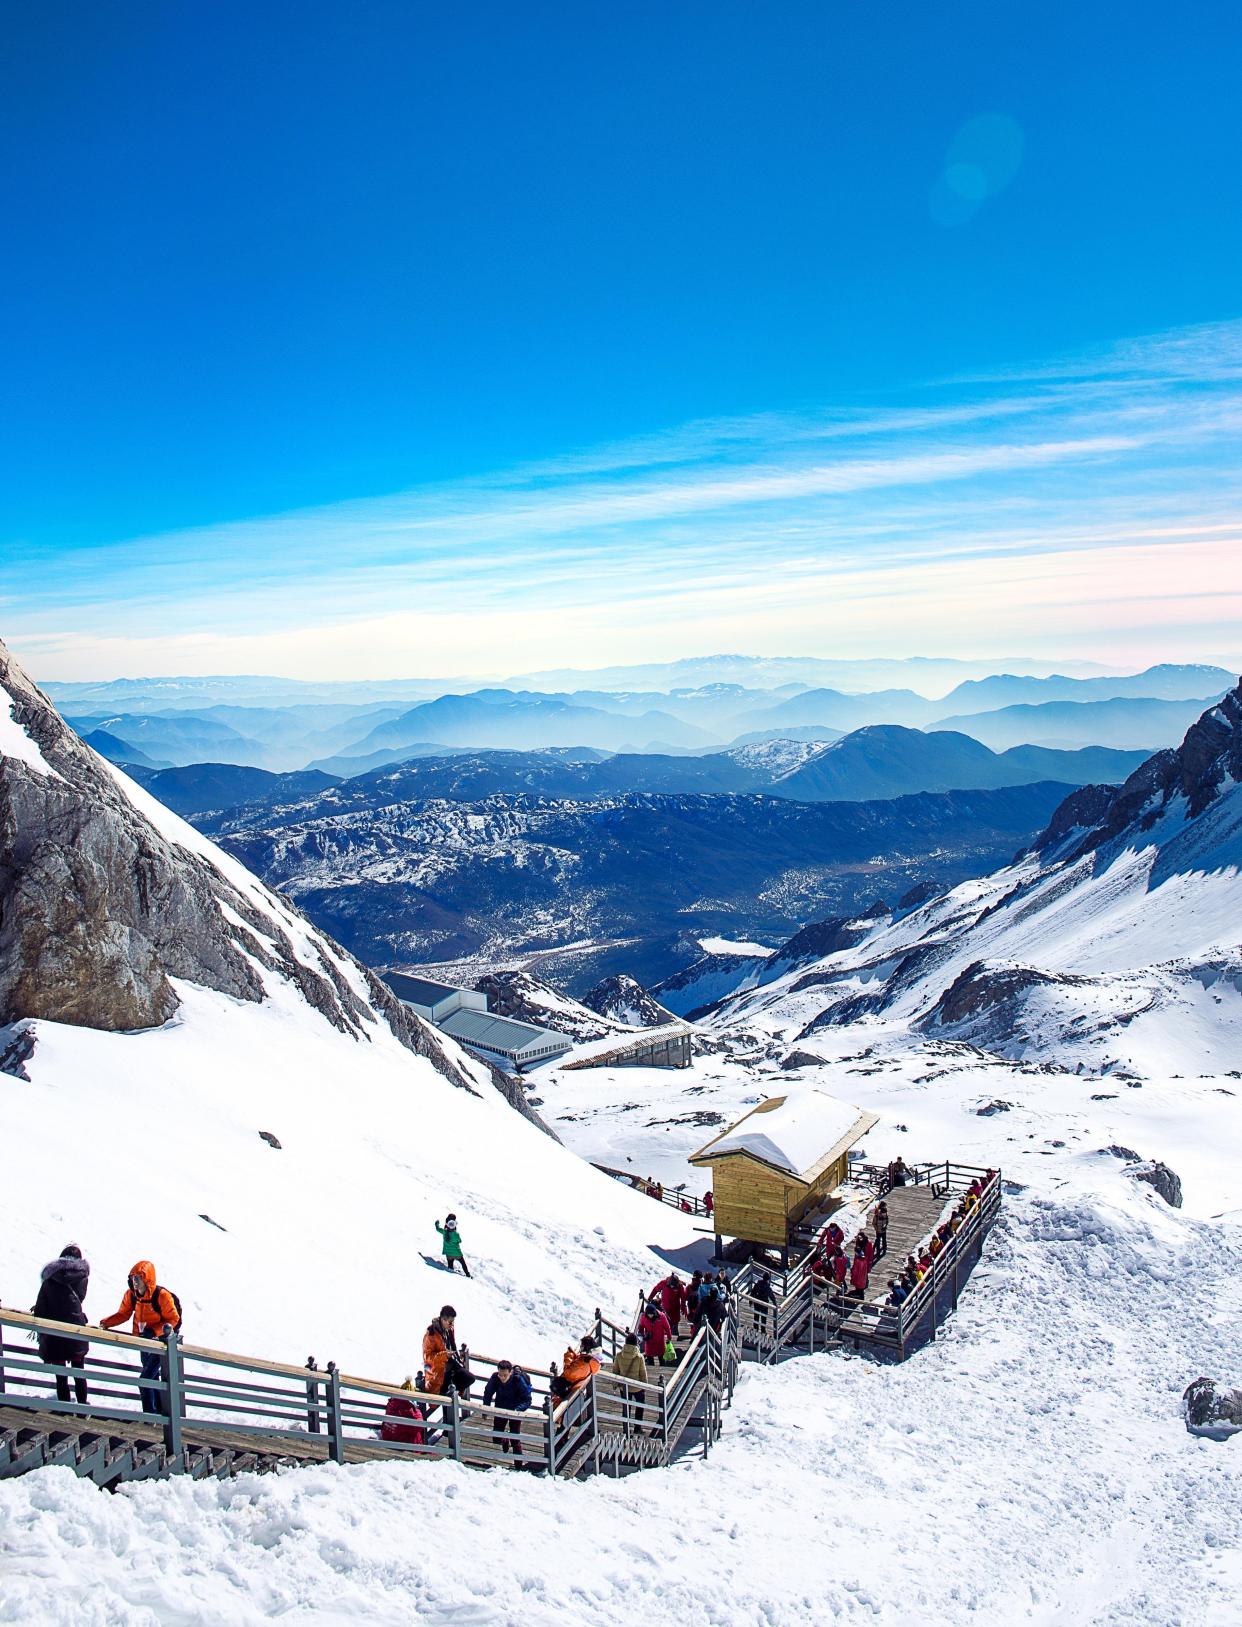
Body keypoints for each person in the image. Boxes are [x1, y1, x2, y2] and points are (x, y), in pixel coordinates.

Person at [100, 1260, 182, 1417]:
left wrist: (154, 1331)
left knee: (145, 1379)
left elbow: (174, 1319)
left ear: (147, 1279)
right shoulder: (131, 1296)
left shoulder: (161, 1296)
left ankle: (149, 1416)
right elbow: (123, 1313)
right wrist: (106, 1323)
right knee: (152, 1377)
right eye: (132, 1278)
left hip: (161, 1344)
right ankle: (160, 1413)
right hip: (143, 1343)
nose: (135, 1281)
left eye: (138, 1277)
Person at [32, 1244, 90, 1405]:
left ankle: (65, 1408)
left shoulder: (50, 1278)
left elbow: (42, 1308)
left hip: (55, 1333)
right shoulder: (82, 1277)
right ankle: (82, 1408)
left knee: (61, 1376)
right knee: (79, 1372)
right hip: (76, 1330)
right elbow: (77, 1301)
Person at [483, 1359, 532, 1466]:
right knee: (496, 1437)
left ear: (511, 1372)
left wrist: (517, 1410)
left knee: (515, 1439)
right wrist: (485, 1409)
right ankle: (505, 1439)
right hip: (500, 1408)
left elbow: (527, 1400)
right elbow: (488, 1393)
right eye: (500, 1375)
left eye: (505, 1375)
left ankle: (518, 1465)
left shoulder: (518, 1380)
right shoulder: (495, 1378)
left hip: (515, 1410)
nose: (502, 1378)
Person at [422, 1305, 476, 1399]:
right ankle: (449, 1394)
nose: (452, 1324)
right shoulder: (431, 1334)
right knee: (445, 1397)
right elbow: (427, 1357)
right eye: (450, 1322)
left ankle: (451, 1392)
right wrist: (444, 1355)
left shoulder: (449, 1329)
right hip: (438, 1370)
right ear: (443, 1319)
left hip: (450, 1363)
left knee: (469, 1378)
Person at [612, 1331, 648, 1431]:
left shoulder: (619, 1355)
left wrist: (615, 1384)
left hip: (624, 1386)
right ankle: (637, 1427)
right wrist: (645, 1386)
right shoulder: (639, 1357)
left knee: (626, 1407)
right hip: (637, 1387)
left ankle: (626, 1428)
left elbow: (615, 1371)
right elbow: (643, 1373)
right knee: (640, 1406)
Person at [380, 1375, 428, 1448]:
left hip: (388, 1440)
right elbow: (419, 1426)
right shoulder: (409, 1409)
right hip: (405, 1444)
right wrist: (417, 1410)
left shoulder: (391, 1403)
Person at [551, 1336, 601, 1400]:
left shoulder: (584, 1363)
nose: (580, 1348)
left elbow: (568, 1374)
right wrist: (574, 1356)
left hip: (565, 1393)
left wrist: (568, 1357)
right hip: (569, 1391)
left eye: (582, 1346)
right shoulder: (588, 1359)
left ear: (587, 1348)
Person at [637, 1298, 672, 1365]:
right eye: (649, 1314)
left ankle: (662, 1368)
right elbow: (641, 1327)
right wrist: (641, 1335)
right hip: (649, 1340)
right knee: (649, 1357)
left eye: (652, 1314)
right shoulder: (644, 1317)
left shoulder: (661, 1316)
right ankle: (651, 1369)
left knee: (661, 1357)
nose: (650, 1316)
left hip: (660, 1340)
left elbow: (667, 1327)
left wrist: (669, 1336)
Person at [749, 1272, 774, 1336]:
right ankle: (763, 1330)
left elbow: (752, 1292)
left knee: (756, 1316)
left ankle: (755, 1329)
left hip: (757, 1302)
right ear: (768, 1279)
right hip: (764, 1303)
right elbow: (771, 1296)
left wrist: (750, 1301)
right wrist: (775, 1304)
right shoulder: (768, 1287)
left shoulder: (757, 1284)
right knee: (763, 1317)